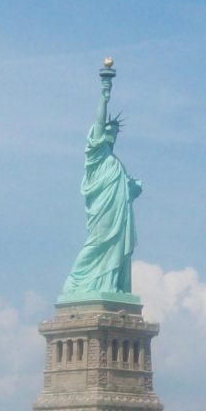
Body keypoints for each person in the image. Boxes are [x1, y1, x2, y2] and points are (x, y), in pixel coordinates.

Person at [61, 66, 144, 297]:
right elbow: (99, 121)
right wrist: (105, 94)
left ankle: (111, 286)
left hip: (119, 214)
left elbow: (125, 190)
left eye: (115, 132)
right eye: (109, 129)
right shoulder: (96, 155)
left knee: (117, 249)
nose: (112, 134)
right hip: (104, 213)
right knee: (97, 243)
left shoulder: (116, 162)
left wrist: (131, 189)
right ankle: (76, 283)